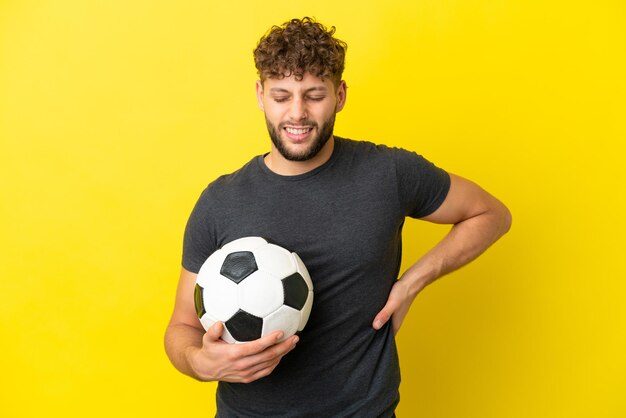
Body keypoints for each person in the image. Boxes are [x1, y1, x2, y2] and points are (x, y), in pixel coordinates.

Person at [164, 17, 511, 418]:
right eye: (281, 96)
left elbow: (491, 214)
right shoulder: (219, 201)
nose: (298, 113)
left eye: (314, 95)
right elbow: (181, 328)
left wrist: (411, 283)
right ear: (260, 95)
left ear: (340, 95)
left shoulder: (389, 174)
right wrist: (197, 361)